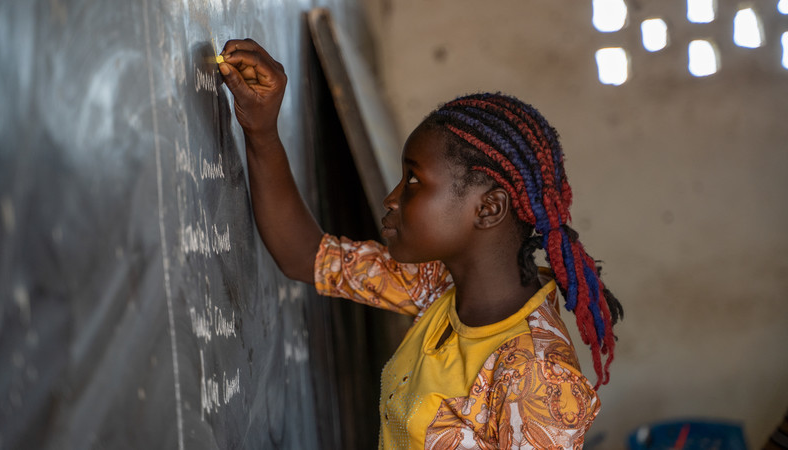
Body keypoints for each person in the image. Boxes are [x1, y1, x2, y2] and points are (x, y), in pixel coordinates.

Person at [218, 38, 623, 449]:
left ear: (488, 209)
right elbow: (306, 256)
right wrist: (261, 131)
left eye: (413, 180)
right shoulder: (437, 286)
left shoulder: (536, 375)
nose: (391, 198)